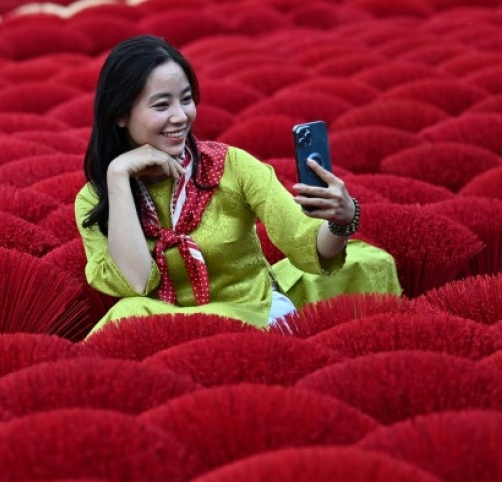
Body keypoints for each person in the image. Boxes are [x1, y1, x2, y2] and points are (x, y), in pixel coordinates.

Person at [75, 35, 399, 333]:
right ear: (120, 115)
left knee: (372, 262)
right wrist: (117, 177)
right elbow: (138, 282)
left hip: (253, 316)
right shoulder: (95, 200)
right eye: (162, 105)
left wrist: (341, 220)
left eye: (186, 99)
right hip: (169, 328)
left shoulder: (231, 166)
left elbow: (305, 242)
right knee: (129, 312)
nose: (180, 116)